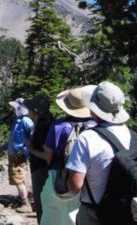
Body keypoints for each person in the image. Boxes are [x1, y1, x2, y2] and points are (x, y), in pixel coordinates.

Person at [66, 81, 137, 225]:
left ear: (94, 109)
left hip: (95, 213)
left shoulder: (87, 138)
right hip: (127, 213)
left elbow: (75, 186)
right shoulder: (134, 137)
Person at [39, 86, 96, 225]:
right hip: (87, 178)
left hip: (58, 176)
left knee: (54, 216)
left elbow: (48, 155)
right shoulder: (95, 126)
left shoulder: (58, 126)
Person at [24, 95, 54, 222]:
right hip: (46, 171)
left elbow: (48, 156)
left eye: (29, 108)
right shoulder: (47, 123)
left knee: (42, 205)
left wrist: (31, 149)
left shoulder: (43, 127)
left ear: (36, 111)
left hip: (41, 171)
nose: (27, 110)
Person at [7, 97, 34, 213]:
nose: (13, 110)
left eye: (14, 108)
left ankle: (25, 202)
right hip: (13, 153)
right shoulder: (17, 121)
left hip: (18, 154)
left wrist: (24, 151)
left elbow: (32, 138)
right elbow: (12, 138)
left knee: (17, 177)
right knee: (18, 176)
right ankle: (22, 197)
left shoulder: (26, 121)